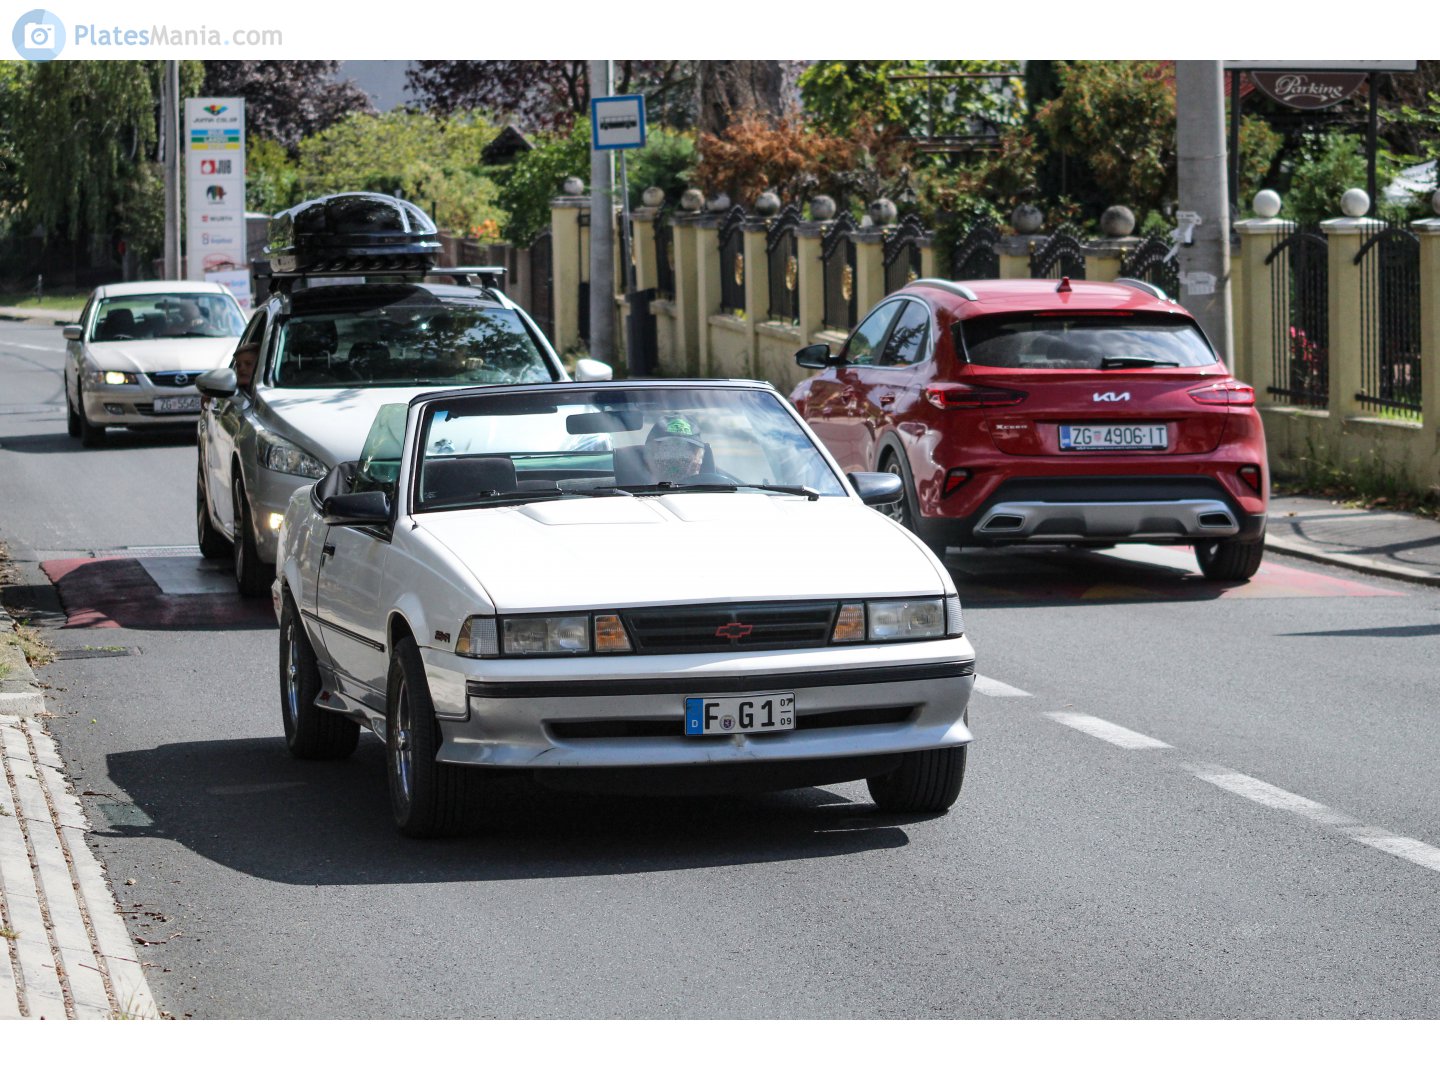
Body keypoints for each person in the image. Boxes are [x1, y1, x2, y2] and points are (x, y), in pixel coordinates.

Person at [642, 414, 706, 482]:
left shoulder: (712, 489)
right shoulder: (633, 488)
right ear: (650, 456)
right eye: (667, 449)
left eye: (686, 452)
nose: (676, 459)